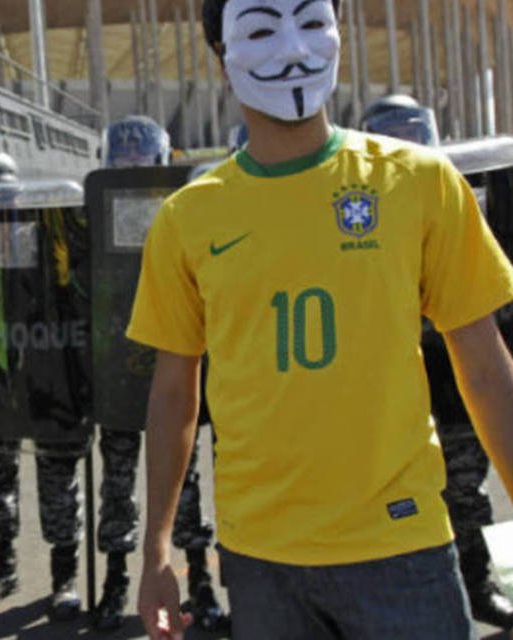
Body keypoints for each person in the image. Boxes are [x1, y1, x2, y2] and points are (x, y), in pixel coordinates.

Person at [133, 1, 513, 638]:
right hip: (262, 561)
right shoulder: (188, 219)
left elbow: (485, 366)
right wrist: (156, 552)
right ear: (221, 57)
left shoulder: (418, 183)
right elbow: (174, 393)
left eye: (312, 22)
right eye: (260, 29)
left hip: (402, 549)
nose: (293, 50)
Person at [362, 95, 513, 629]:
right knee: (405, 509)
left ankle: (479, 586)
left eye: (414, 131)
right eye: (393, 133)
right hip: (399, 394)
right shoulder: (365, 209)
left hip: (458, 384)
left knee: (468, 493)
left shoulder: (454, 196)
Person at [93, 117, 229, 632]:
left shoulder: (186, 208)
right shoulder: (96, 210)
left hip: (173, 359)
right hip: (118, 364)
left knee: (184, 485)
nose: (130, 159)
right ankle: (113, 584)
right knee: (118, 489)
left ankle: (199, 584)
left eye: (138, 151)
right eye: (121, 151)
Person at [0, 152, 85, 622]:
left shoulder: (42, 232)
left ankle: (64, 579)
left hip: (43, 373)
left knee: (58, 483)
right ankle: (1, 570)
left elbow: (68, 297)